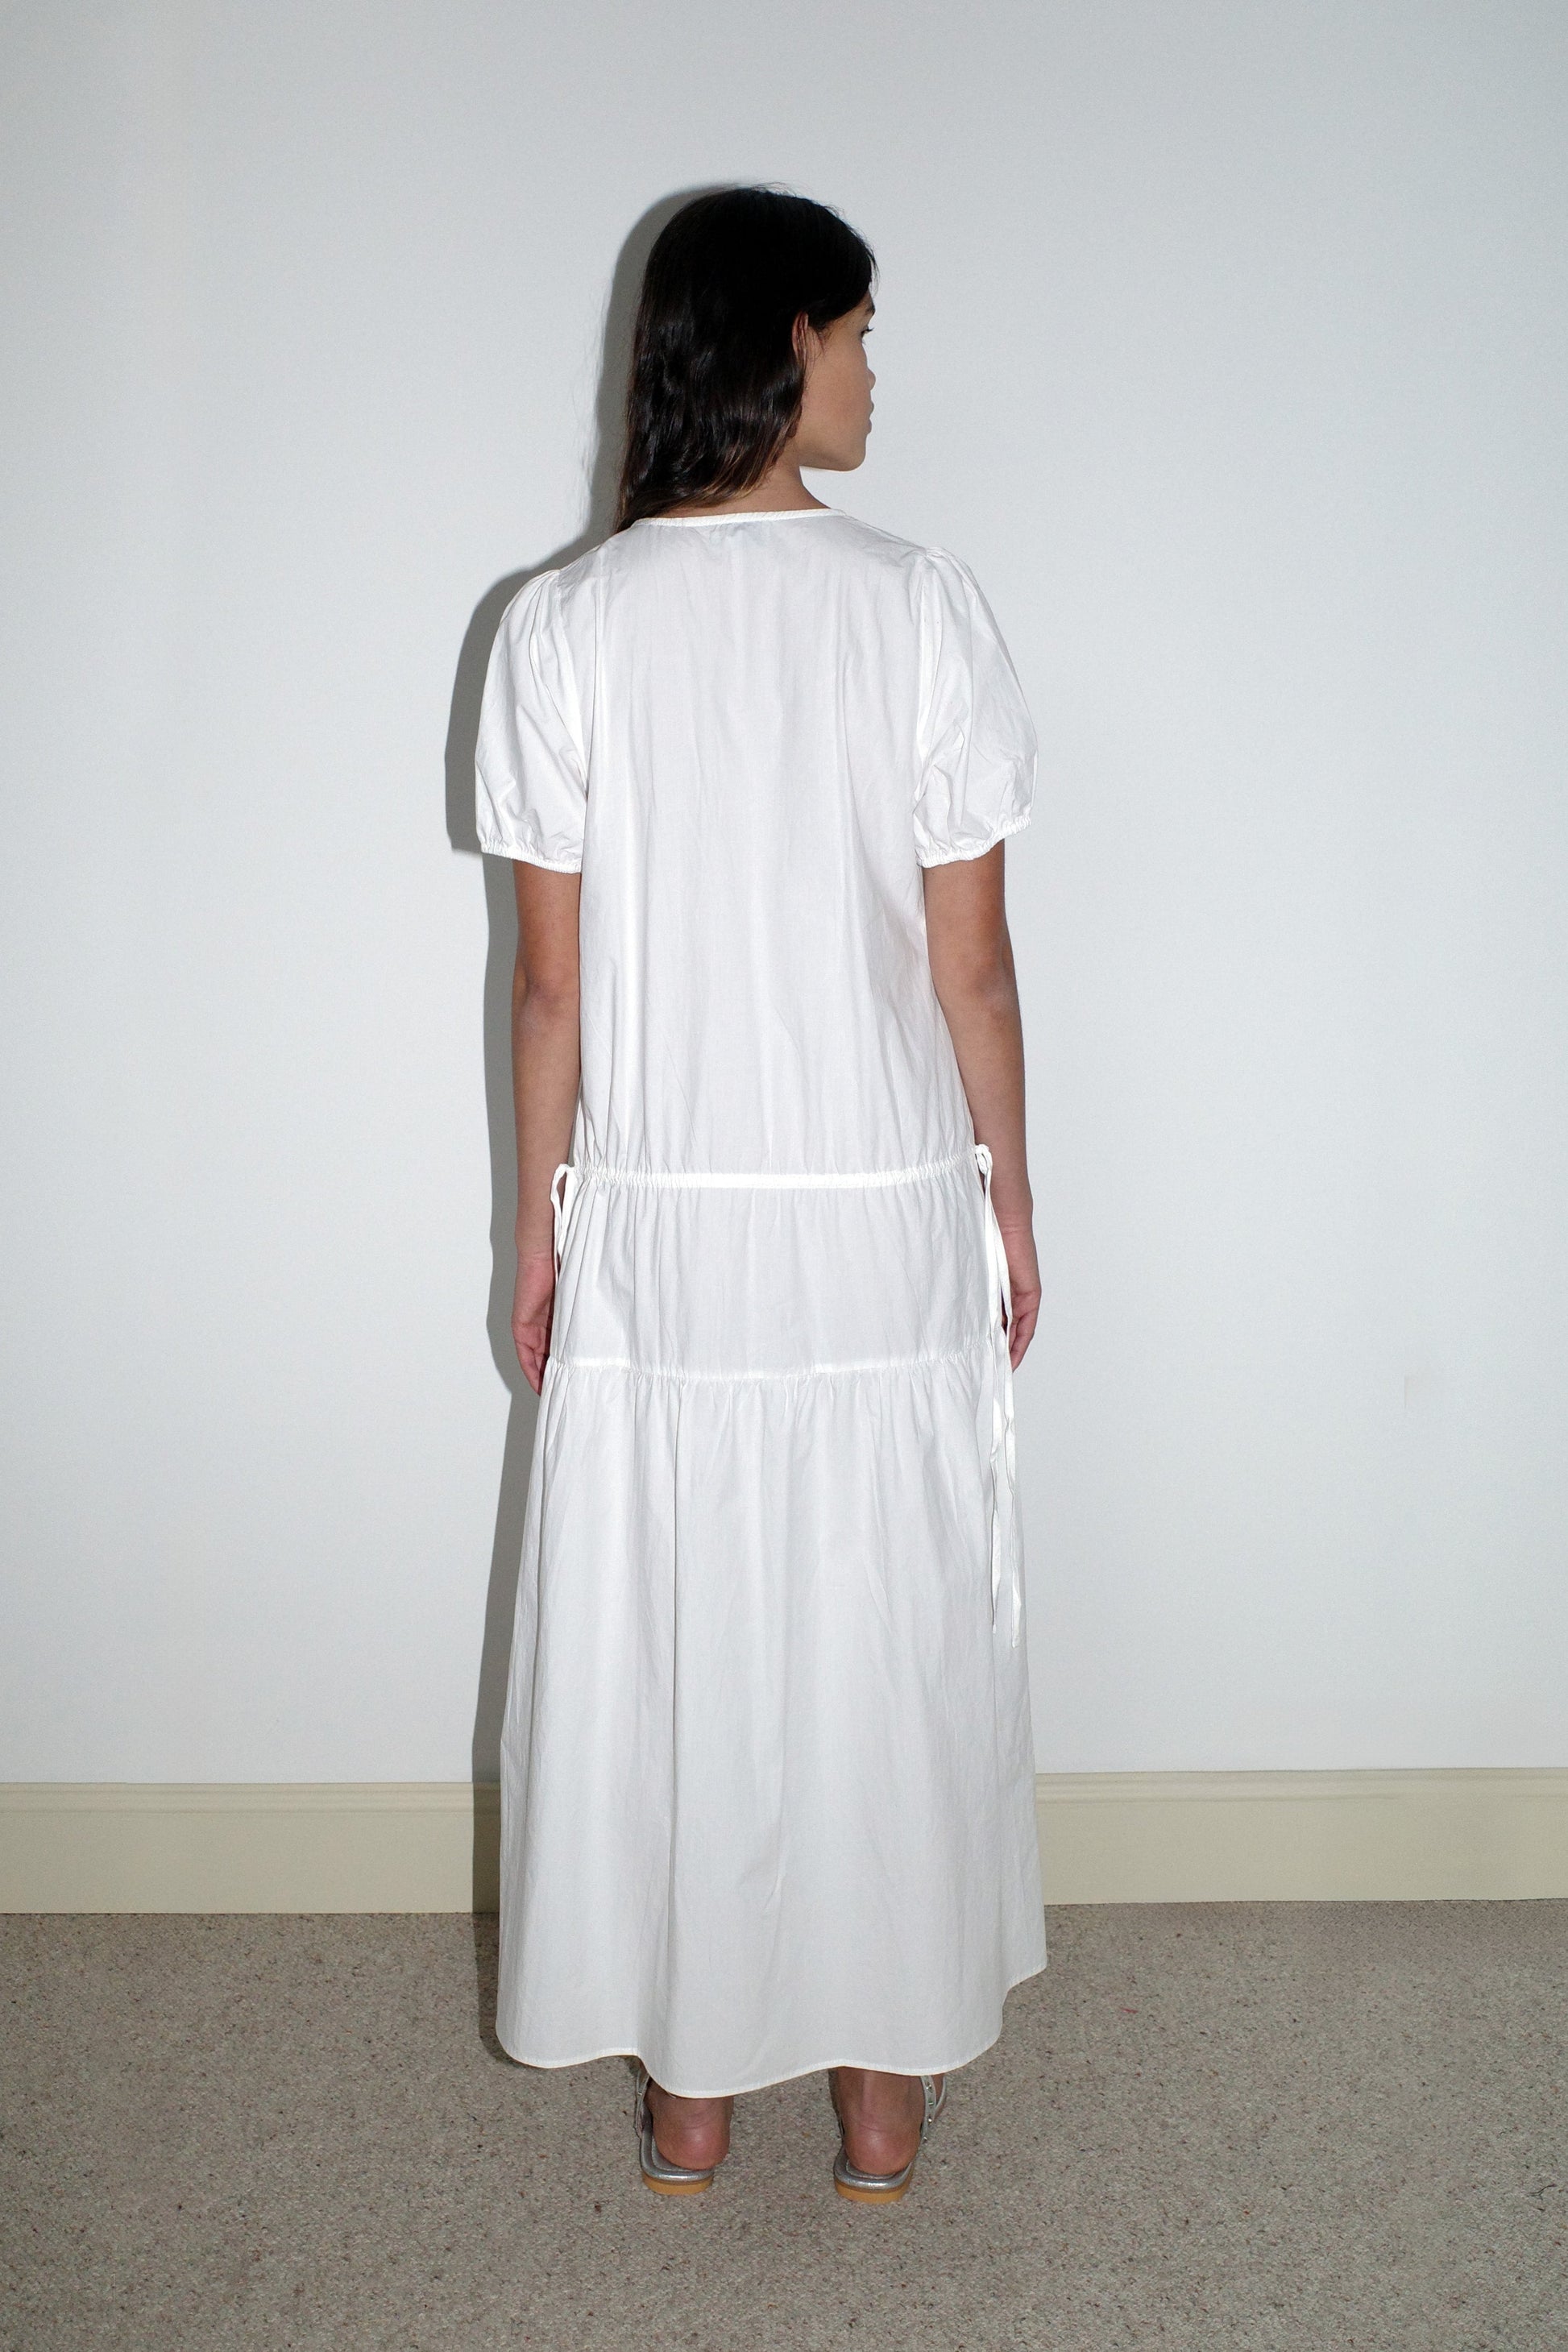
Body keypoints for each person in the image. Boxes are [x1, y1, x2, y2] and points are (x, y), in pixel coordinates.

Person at [475, 185, 1045, 2204]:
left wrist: (537, 1223)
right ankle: (880, 2101)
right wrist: (1011, 1197)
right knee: (881, 1636)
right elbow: (969, 966)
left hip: (664, 1217)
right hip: (876, 1203)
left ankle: (692, 2096)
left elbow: (551, 987)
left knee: (676, 1637)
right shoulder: (919, 604)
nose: (877, 370)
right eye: (861, 331)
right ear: (785, 340)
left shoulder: (563, 624)